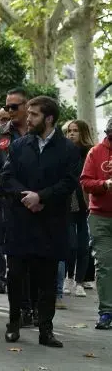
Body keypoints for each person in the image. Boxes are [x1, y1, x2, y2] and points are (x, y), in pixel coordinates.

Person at [0, 96, 79, 347]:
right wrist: (27, 197)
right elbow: (6, 177)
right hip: (21, 221)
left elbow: (69, 183)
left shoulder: (68, 149)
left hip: (51, 222)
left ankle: (46, 329)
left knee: (46, 279)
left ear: (49, 118)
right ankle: (13, 322)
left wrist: (41, 197)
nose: (28, 117)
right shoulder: (20, 145)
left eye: (34, 114)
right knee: (16, 275)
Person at [0, 88, 30, 300]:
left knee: (35, 261)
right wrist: (0, 193)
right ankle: (19, 309)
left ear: (27, 106)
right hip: (7, 206)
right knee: (13, 259)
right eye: (7, 107)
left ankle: (34, 306)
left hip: (37, 204)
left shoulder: (39, 133)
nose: (9, 111)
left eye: (14, 107)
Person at [77, 118, 112, 330]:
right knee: (105, 265)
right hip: (100, 217)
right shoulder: (96, 152)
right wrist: (104, 184)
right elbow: (85, 181)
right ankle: (106, 311)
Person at [63, 119, 94, 298]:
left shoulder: (89, 152)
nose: (72, 134)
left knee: (83, 244)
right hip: (67, 202)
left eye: (75, 130)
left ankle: (80, 281)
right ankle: (68, 276)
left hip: (85, 202)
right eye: (69, 131)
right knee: (70, 244)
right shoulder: (63, 151)